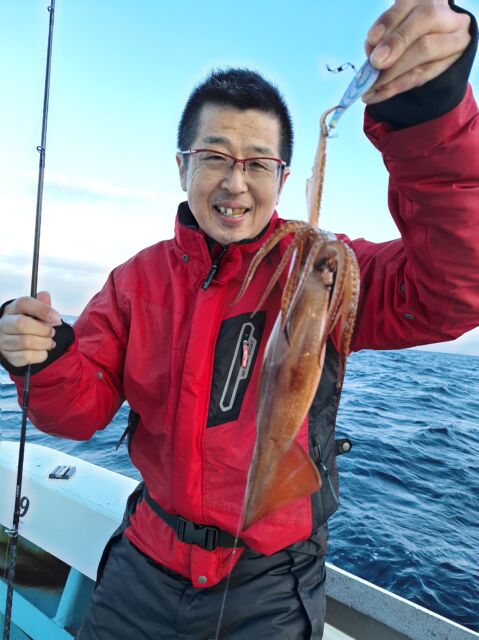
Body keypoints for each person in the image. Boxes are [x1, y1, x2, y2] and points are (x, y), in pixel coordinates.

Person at [1, 1, 478, 638]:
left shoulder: (325, 272)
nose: (235, 184)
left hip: (270, 579)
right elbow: (77, 414)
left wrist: (430, 117)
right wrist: (45, 358)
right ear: (183, 166)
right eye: (215, 156)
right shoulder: (135, 282)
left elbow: (453, 287)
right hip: (146, 556)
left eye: (258, 163)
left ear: (282, 177)